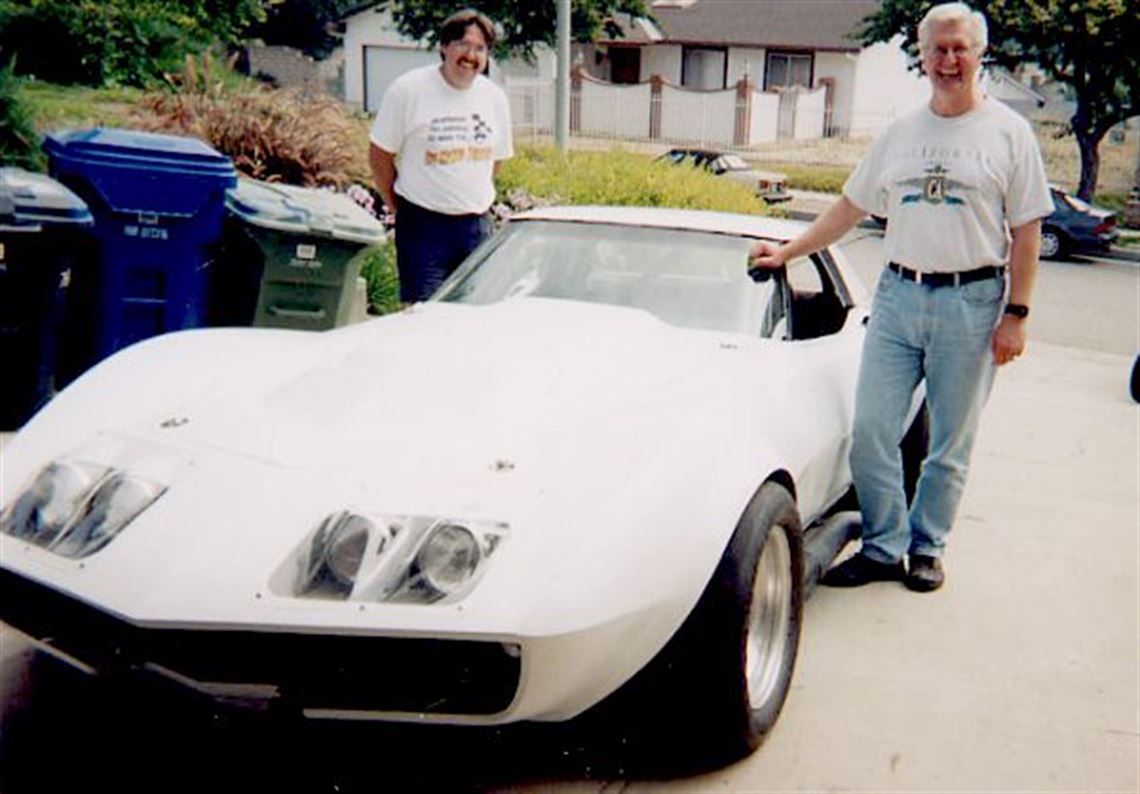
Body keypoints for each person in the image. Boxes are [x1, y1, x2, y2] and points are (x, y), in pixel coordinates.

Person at [748, 2, 1052, 592]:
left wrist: (1016, 314)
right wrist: (788, 251)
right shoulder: (901, 132)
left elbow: (1027, 232)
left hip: (973, 300)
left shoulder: (1009, 135)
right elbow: (850, 206)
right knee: (870, 431)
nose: (949, 59)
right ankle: (884, 544)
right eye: (937, 48)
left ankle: (927, 546)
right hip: (898, 298)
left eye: (960, 47)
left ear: (979, 52)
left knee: (948, 443)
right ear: (922, 54)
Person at [369, 9, 513, 304]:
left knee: (475, 317)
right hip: (423, 227)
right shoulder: (409, 90)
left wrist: (470, 197)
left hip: (476, 228)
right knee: (424, 320)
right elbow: (380, 155)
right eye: (462, 44)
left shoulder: (494, 98)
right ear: (444, 46)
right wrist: (398, 206)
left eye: (480, 48)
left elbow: (495, 160)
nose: (470, 55)